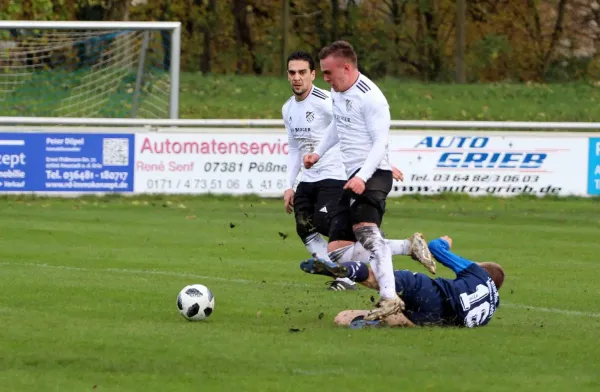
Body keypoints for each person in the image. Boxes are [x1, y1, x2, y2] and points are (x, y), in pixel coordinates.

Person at [282, 51, 435, 290]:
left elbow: (370, 135)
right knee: (313, 231)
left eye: (303, 72)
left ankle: (376, 288)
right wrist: (291, 181)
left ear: (312, 74)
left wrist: (380, 164)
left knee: (341, 228)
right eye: (292, 72)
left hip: (339, 175)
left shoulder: (338, 98)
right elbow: (301, 144)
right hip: (316, 176)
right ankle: (391, 251)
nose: (297, 77)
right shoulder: (292, 107)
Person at [311, 235, 504, 328]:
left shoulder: (478, 273)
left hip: (430, 291)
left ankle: (349, 270)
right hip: (435, 320)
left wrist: (446, 241)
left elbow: (436, 248)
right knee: (346, 318)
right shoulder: (492, 306)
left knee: (382, 279)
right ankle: (366, 321)